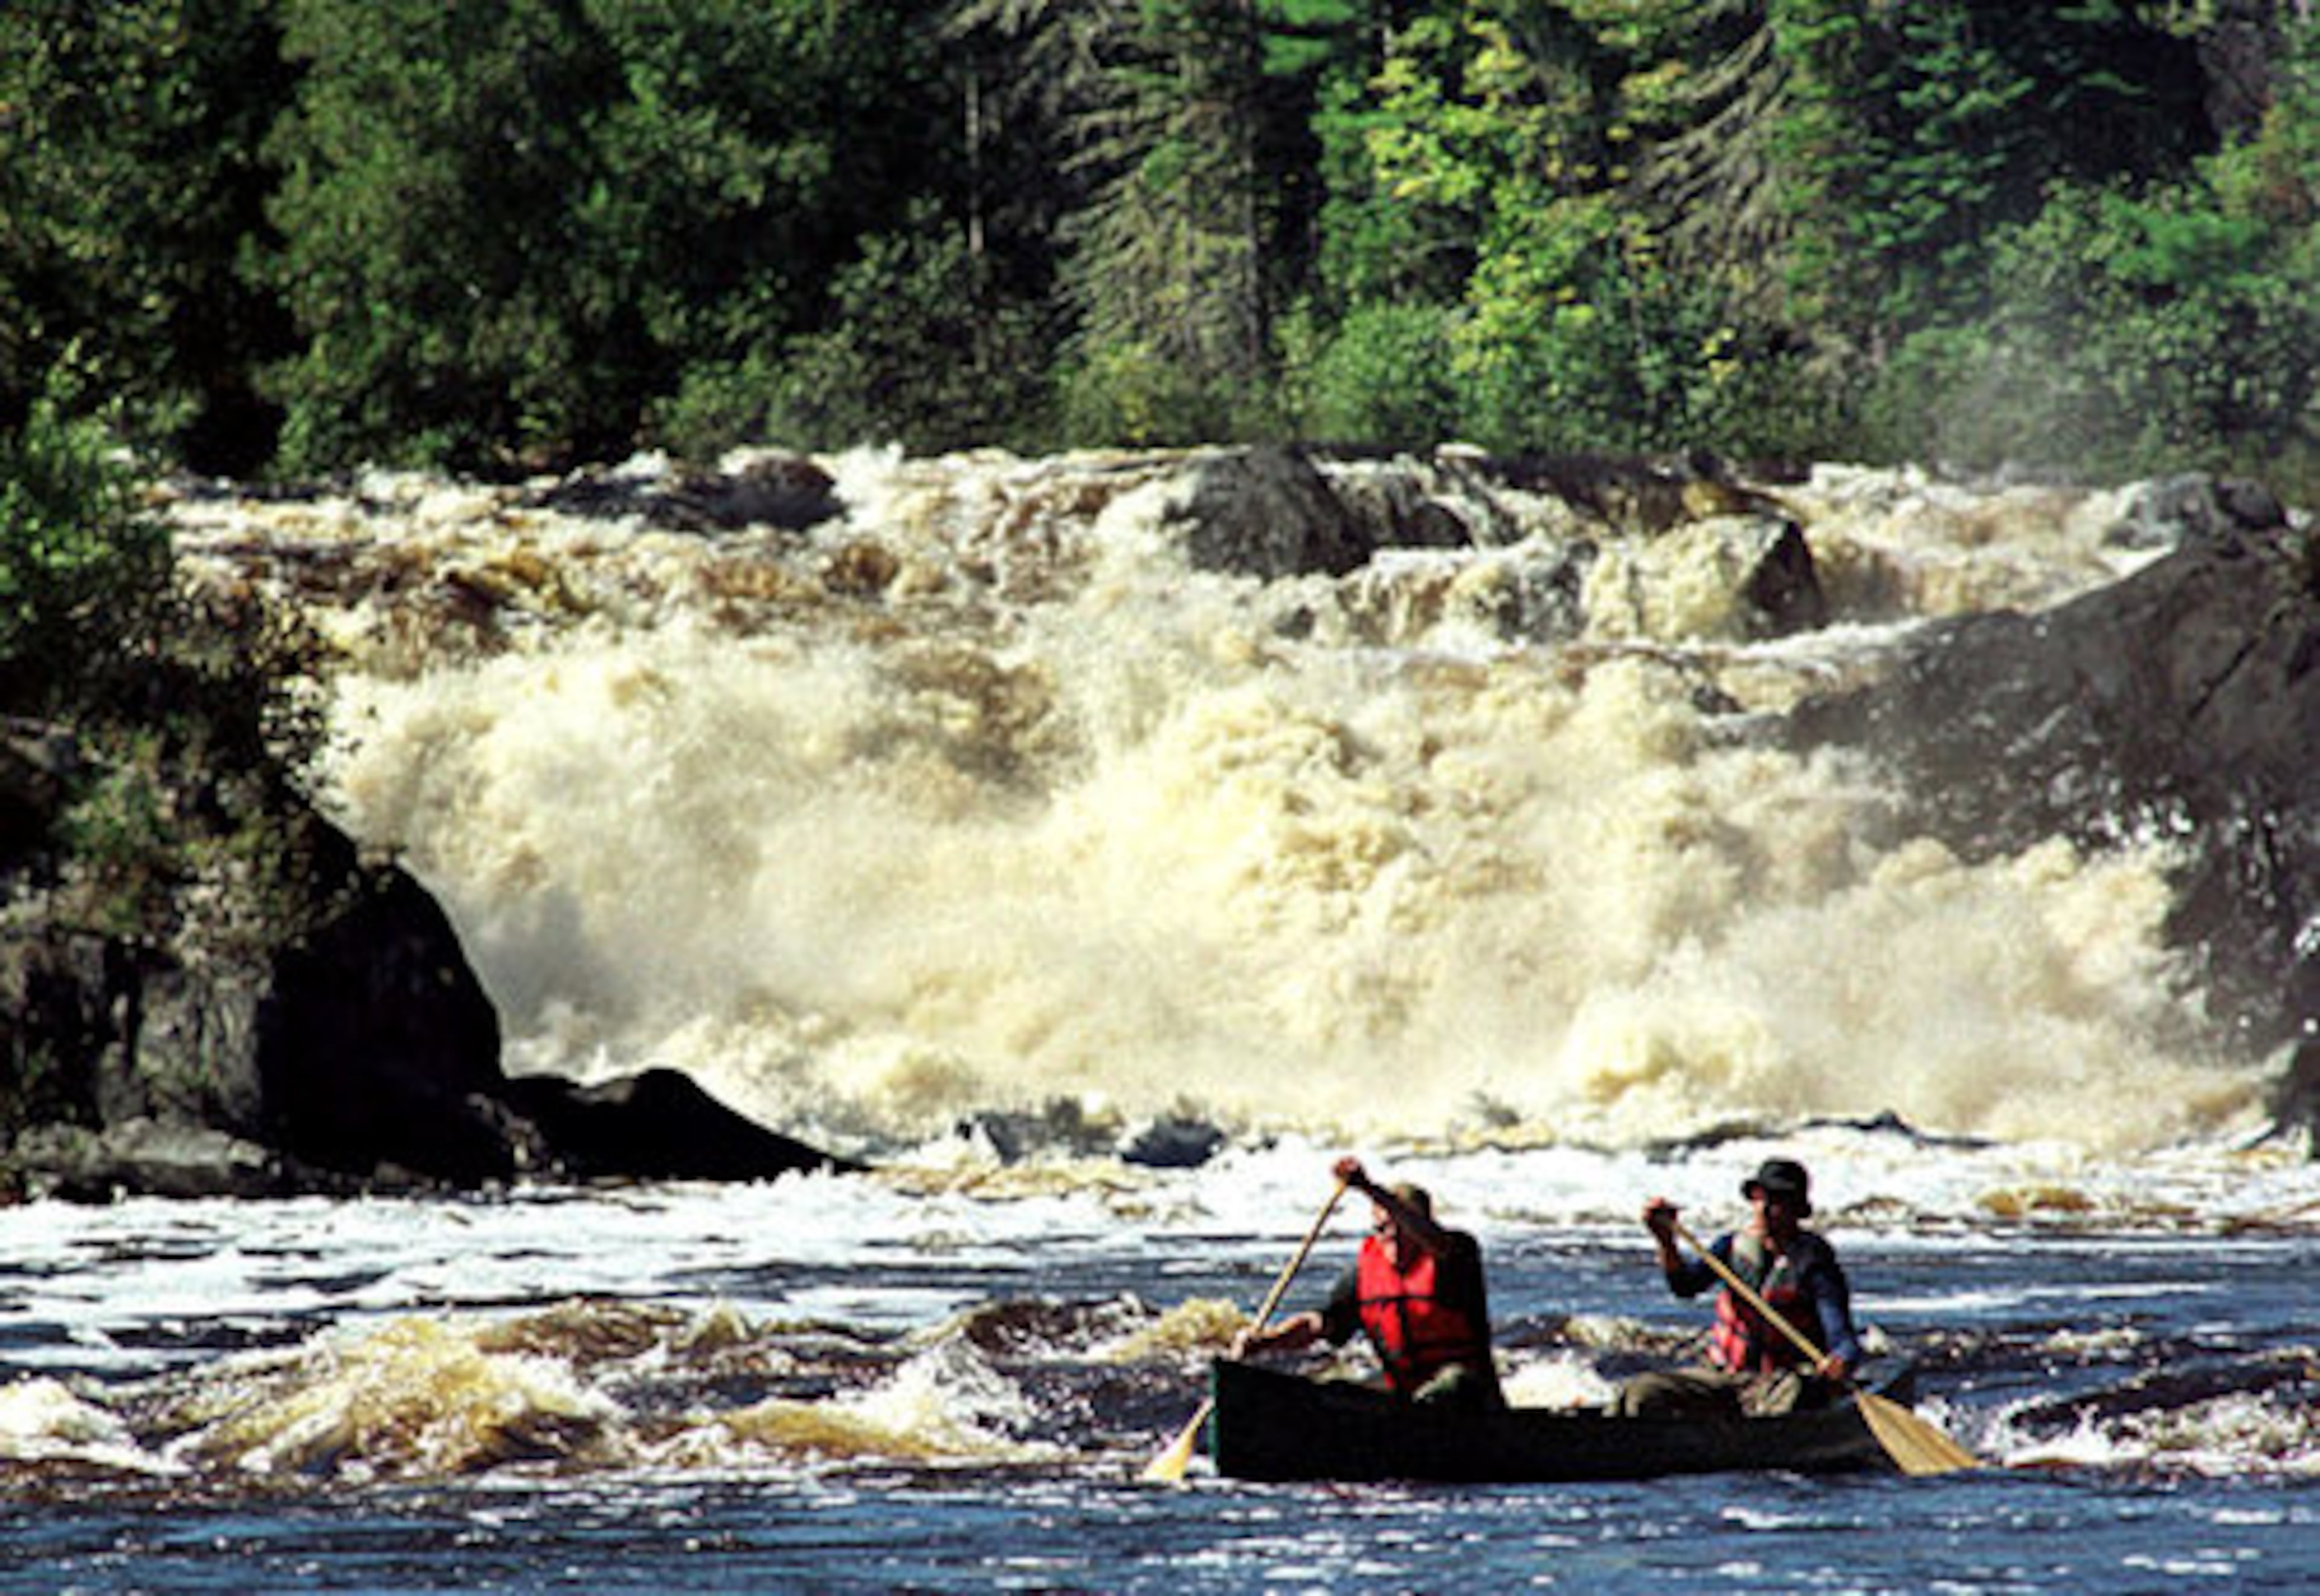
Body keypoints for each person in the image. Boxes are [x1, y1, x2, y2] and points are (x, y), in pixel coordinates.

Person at [1231, 1155, 1504, 1409]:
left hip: (1471, 1404)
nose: (1394, 1237)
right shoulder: (1364, 1274)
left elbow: (1435, 1240)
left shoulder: (1456, 1254)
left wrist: (1368, 1188)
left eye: (1403, 1227)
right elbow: (1321, 1324)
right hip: (1407, 1403)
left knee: (1454, 1383)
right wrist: (1266, 1342)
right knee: (1336, 1391)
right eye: (1384, 1229)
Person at [1614, 1156, 1865, 1418]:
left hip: (1780, 1383)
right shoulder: (1731, 1247)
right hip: (1724, 1378)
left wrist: (1840, 1362)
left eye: (1777, 1200)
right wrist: (1666, 1242)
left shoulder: (1815, 1262)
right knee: (1642, 1393)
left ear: (1796, 1209)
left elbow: (1843, 1337)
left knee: (1795, 1395)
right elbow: (1684, 1287)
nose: (1765, 1208)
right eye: (1760, 1198)